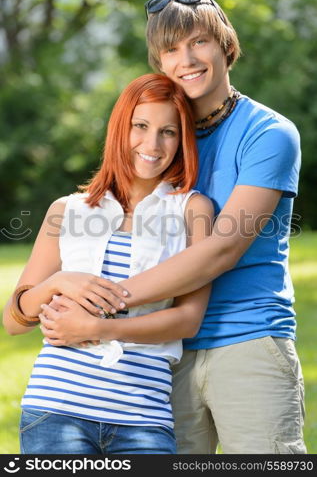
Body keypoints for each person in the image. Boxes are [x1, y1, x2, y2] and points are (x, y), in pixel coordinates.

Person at [20, 0, 306, 454]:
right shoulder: (161, 132)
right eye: (171, 49)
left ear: (225, 46)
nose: (187, 59)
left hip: (246, 339)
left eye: (199, 42)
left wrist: (97, 305)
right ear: (159, 62)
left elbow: (221, 249)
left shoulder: (269, 133)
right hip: (158, 360)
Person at [2, 73, 213, 454]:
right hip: (55, 409)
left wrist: (98, 327)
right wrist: (58, 283)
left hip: (144, 418)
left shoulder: (192, 210)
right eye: (141, 126)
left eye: (168, 131)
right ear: (121, 128)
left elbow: (187, 320)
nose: (152, 143)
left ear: (182, 139)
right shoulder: (67, 210)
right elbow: (14, 320)